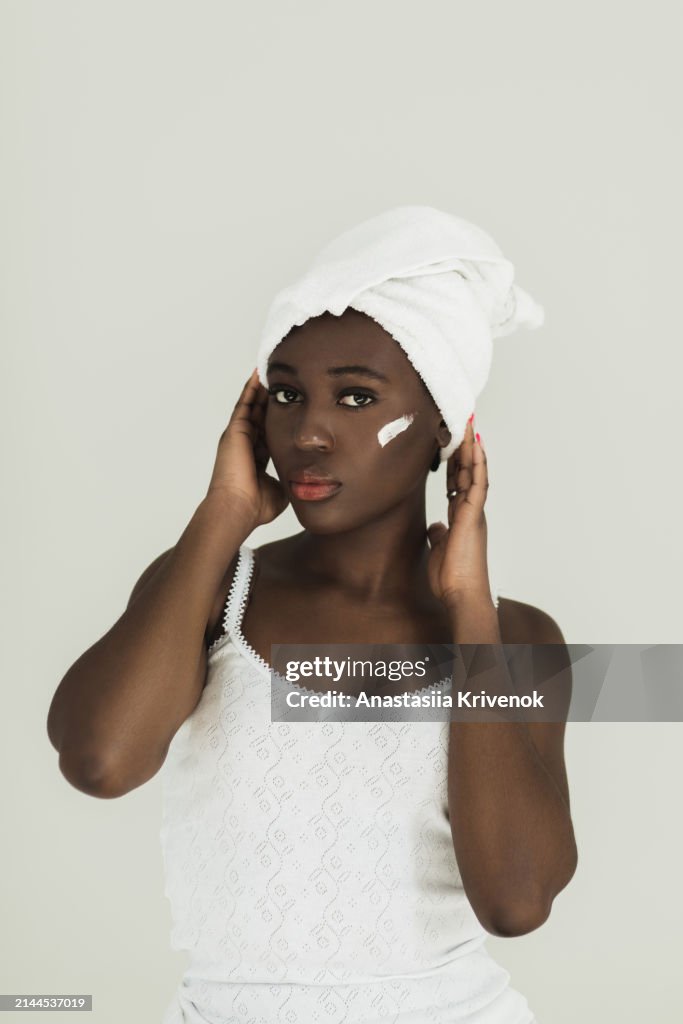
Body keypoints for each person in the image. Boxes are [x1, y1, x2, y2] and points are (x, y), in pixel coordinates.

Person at [48, 226, 577, 1024]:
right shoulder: (215, 588)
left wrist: (470, 610)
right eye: (287, 394)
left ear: (443, 427)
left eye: (357, 397)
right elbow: (99, 762)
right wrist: (223, 514)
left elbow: (516, 899)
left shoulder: (520, 641)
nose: (307, 434)